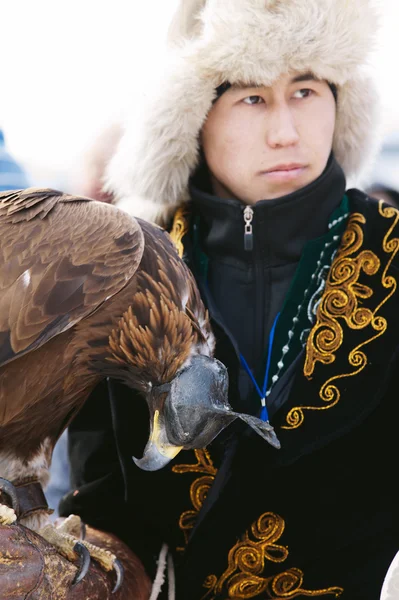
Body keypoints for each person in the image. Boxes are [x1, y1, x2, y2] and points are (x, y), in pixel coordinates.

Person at [59, 1, 398, 598]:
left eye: (307, 91)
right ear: (192, 116)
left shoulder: (393, 252)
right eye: (251, 97)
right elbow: (101, 499)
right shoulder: (125, 280)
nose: (286, 131)